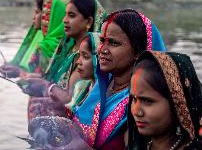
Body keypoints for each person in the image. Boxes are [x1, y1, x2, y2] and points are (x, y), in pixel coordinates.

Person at [29, 9, 166, 149]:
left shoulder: (139, 103)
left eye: (113, 43)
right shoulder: (100, 87)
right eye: (102, 41)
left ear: (138, 52)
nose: (102, 50)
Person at [22, 0, 107, 121]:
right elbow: (55, 82)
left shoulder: (91, 59)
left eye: (71, 16)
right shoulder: (66, 50)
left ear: (88, 22)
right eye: (65, 15)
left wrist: (46, 86)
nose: (65, 21)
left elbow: (72, 100)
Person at [128, 50, 202, 150]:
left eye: (148, 101)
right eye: (134, 99)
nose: (136, 112)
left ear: (177, 103)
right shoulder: (136, 146)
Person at [0, 0, 66, 76]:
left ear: (48, 17)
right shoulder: (68, 42)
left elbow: (42, 81)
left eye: (37, 12)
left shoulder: (47, 47)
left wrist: (19, 72)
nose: (33, 17)